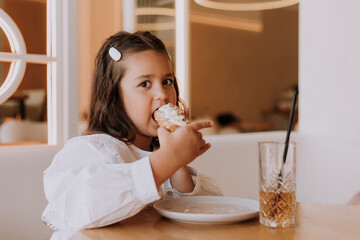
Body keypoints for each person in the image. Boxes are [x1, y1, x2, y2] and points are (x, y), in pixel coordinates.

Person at [41, 31, 222, 232]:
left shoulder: (161, 154)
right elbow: (80, 204)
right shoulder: (94, 148)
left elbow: (209, 216)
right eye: (144, 84)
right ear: (114, 96)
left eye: (167, 81)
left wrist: (178, 166)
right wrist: (169, 159)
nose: (162, 95)